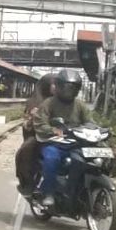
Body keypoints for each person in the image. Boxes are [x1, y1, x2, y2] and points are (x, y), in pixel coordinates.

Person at [33, 69, 93, 208]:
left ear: (77, 89)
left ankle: (76, 190)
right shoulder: (49, 103)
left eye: (72, 87)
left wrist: (97, 129)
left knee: (85, 161)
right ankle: (48, 192)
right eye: (66, 87)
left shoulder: (80, 105)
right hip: (54, 143)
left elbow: (89, 121)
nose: (69, 90)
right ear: (59, 86)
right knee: (51, 158)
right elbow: (40, 123)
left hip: (75, 143)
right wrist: (52, 130)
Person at [15, 74, 54, 195]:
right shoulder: (34, 102)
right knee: (26, 150)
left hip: (61, 134)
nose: (55, 87)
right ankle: (27, 183)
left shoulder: (61, 101)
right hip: (38, 136)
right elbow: (27, 124)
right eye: (53, 84)